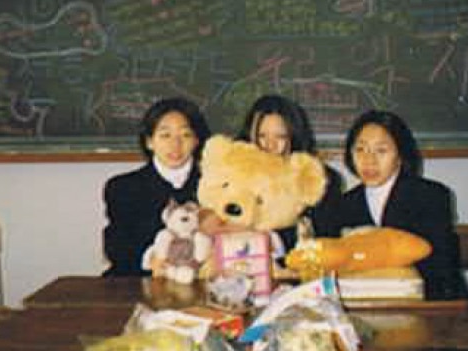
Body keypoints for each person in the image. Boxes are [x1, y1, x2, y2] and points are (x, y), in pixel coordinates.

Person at [327, 109, 466, 300]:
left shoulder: (431, 196)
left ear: (400, 156)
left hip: (427, 302)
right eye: (360, 149)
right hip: (363, 304)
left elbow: (442, 270)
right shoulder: (343, 204)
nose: (369, 160)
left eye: (381, 150)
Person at [102, 97, 211, 277]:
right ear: (149, 142)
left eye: (185, 135)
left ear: (197, 140)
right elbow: (117, 248)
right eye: (165, 135)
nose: (175, 144)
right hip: (137, 282)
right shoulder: (123, 188)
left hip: (199, 283)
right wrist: (152, 262)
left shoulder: (214, 186)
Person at [236, 94, 344, 249]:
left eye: (280, 137)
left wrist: (272, 240)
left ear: (294, 137)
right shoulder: (236, 175)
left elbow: (325, 235)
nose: (269, 145)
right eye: (262, 136)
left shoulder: (320, 179)